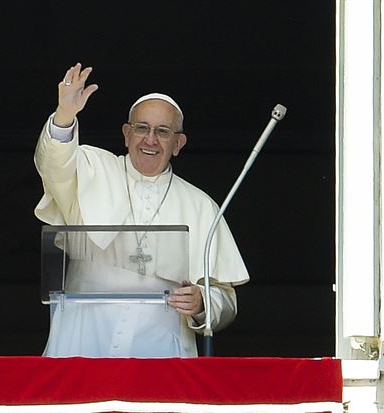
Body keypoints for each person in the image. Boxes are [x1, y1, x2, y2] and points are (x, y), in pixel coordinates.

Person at [34, 63, 249, 358]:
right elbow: (52, 167)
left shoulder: (200, 205)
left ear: (178, 143)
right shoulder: (92, 169)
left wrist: (202, 303)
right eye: (142, 128)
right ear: (126, 134)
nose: (150, 139)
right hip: (82, 336)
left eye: (163, 131)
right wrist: (65, 116)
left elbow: (225, 297)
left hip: (161, 346)